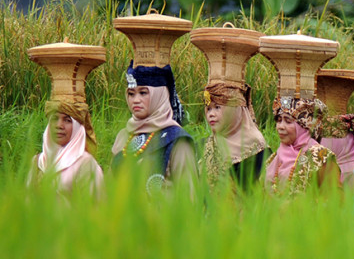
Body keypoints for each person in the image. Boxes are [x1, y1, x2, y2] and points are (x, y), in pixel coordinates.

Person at [110, 64, 198, 195]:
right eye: (131, 94)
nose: (136, 100)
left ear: (160, 94)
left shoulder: (178, 140)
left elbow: (189, 196)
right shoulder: (124, 135)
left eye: (143, 93)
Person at [264, 97, 341, 196]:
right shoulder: (275, 158)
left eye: (288, 121)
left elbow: (335, 198)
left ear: (303, 125)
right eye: (279, 121)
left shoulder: (320, 156)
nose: (280, 127)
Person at [202, 84, 268, 192]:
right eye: (208, 108)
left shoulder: (257, 149)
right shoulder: (204, 145)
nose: (211, 114)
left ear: (234, 109)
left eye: (217, 107)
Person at [31, 108, 104, 197]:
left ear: (77, 127)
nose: (59, 125)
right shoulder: (38, 161)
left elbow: (95, 203)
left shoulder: (86, 164)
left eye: (67, 120)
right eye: (55, 119)